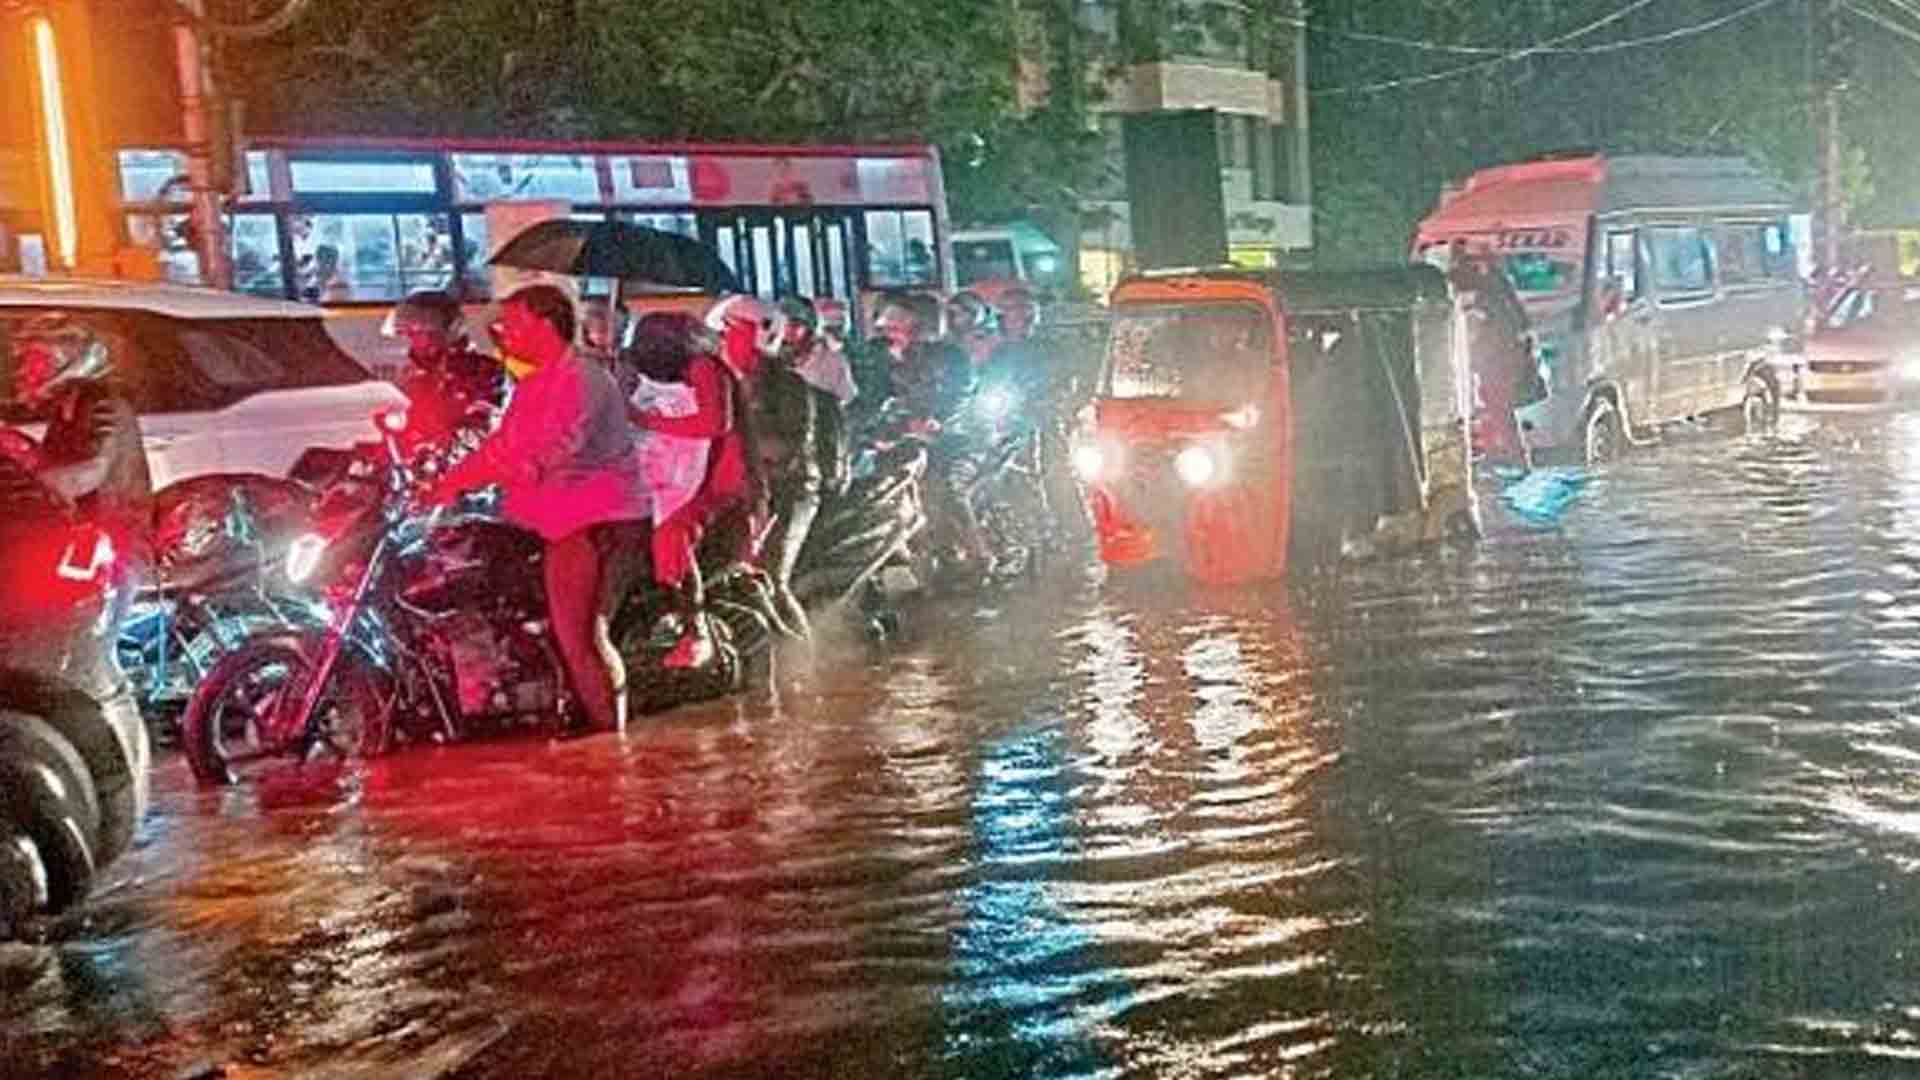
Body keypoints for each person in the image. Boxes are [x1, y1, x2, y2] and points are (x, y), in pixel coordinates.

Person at [430, 285, 649, 736]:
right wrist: (444, 483)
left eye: (513, 323)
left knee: (581, 636)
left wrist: (510, 470)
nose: (502, 333)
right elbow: (499, 445)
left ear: (546, 325)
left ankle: (614, 745)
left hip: (594, 523)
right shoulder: (531, 386)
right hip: (543, 523)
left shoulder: (585, 380)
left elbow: (559, 448)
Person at [632, 295, 783, 668]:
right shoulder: (669, 377)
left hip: (726, 485)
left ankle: (693, 626)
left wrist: (645, 421)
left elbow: (713, 423)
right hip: (686, 478)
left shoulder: (704, 368)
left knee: (672, 534)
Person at [755, 297, 853, 635]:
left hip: (798, 480)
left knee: (773, 578)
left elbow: (820, 427)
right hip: (760, 486)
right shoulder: (752, 374)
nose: (788, 332)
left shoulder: (808, 375)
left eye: (795, 325)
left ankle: (804, 660)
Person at [9, 315, 152, 540]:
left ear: (68, 362)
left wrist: (40, 487)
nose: (25, 371)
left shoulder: (104, 404)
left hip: (113, 542)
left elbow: (94, 469)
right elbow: (56, 461)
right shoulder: (66, 408)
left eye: (35, 360)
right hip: (76, 533)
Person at [385, 289, 504, 449]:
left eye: (420, 331)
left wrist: (441, 443)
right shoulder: (414, 375)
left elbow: (486, 426)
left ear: (449, 329)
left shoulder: (485, 371)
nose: (412, 338)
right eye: (408, 333)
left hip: (467, 465)